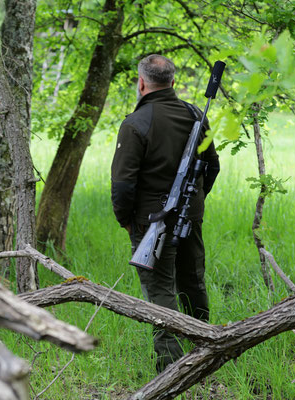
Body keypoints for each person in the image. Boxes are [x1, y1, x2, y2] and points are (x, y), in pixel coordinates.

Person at [110, 54, 220, 372]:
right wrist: (194, 202)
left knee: (160, 291)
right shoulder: (195, 114)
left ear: (141, 83)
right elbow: (212, 167)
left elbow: (122, 185)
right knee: (192, 281)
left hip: (149, 222)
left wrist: (126, 220)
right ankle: (207, 350)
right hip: (190, 217)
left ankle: (171, 368)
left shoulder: (135, 124)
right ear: (173, 82)